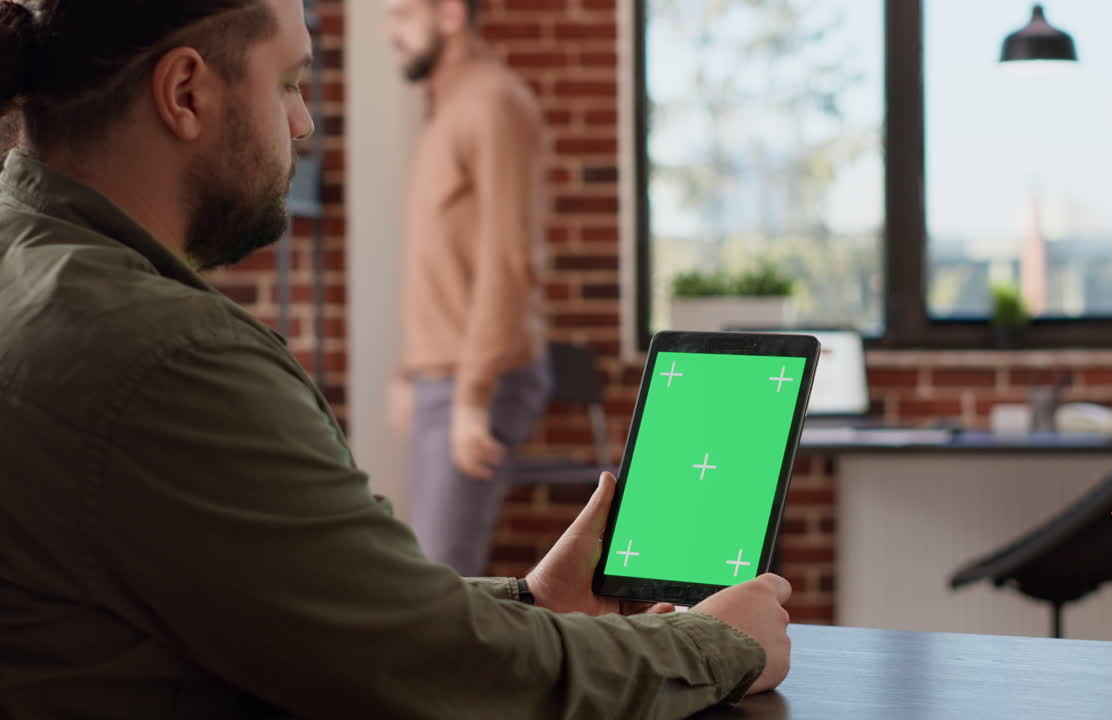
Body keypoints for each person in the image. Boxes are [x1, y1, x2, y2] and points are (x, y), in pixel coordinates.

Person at [0, 1, 792, 717]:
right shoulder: (168, 360)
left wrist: (530, 598)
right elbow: (435, 671)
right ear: (185, 94)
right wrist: (718, 645)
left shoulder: (34, 269)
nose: (303, 123)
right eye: (287, 84)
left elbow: (352, 613)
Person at [387, 0, 550, 577]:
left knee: (440, 585)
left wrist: (472, 398)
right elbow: (442, 262)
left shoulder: (492, 102)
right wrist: (410, 370)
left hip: (473, 380)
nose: (392, 33)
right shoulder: (449, 104)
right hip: (441, 379)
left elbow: (507, 258)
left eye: (404, 15)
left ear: (452, 14)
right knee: (433, 581)